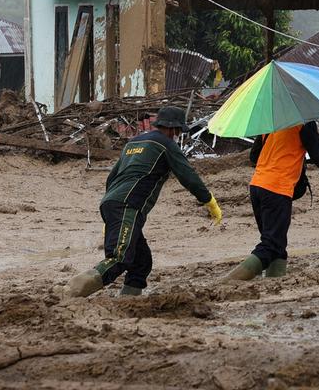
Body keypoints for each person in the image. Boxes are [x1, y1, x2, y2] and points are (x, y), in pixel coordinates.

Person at [65, 107, 222, 298]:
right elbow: (188, 176)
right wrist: (209, 201)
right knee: (119, 258)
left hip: (111, 202)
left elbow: (113, 176)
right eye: (179, 131)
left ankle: (128, 300)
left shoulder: (134, 142)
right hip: (128, 206)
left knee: (141, 262)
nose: (179, 135)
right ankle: (71, 291)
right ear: (173, 129)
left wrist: (110, 217)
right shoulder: (166, 145)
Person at [224, 119, 319, 280]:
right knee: (270, 245)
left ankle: (275, 281)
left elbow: (254, 155)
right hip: (277, 188)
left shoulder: (271, 122)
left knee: (276, 243)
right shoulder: (303, 122)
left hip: (257, 186)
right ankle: (226, 282)